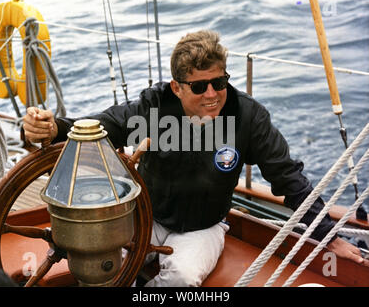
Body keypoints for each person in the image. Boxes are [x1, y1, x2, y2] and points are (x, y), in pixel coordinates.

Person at [23, 30, 369, 286]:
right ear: (177, 87)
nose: (213, 94)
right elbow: (100, 129)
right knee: (102, 266)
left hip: (203, 227)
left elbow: (288, 178)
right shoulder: (153, 107)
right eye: (200, 86)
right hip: (147, 219)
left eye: (219, 82)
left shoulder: (248, 118)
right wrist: (52, 127)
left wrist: (329, 235)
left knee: (182, 280)